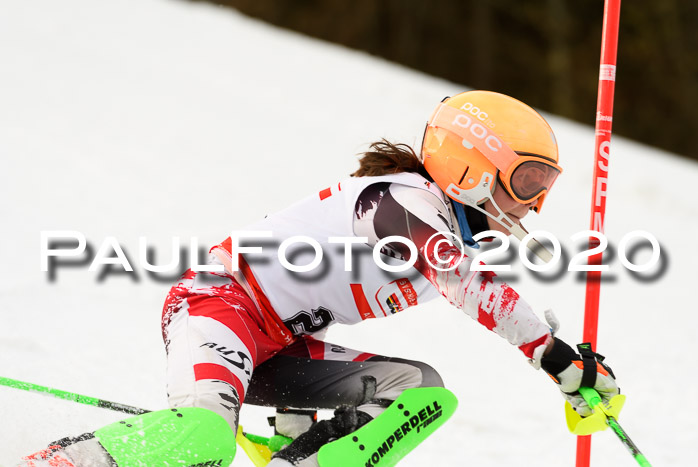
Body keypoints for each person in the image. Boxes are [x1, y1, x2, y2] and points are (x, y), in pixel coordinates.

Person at [19, 91, 621, 467]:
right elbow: (468, 284)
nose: (534, 205)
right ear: (474, 165)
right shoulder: (400, 201)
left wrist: (296, 429)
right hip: (219, 309)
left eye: (544, 185)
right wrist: (560, 360)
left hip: (281, 344)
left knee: (420, 394)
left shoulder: (440, 224)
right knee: (202, 439)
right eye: (528, 181)